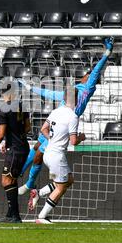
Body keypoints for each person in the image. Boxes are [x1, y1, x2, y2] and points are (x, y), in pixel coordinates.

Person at [17, 37, 114, 210]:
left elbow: (97, 69)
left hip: (63, 125)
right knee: (37, 145)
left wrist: (106, 54)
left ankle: (29, 184)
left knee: (40, 153)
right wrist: (31, 89)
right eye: (86, 74)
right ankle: (25, 178)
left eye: (88, 74)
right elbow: (50, 93)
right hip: (56, 118)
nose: (86, 76)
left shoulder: (87, 89)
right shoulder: (73, 89)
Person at [35, 86, 86, 224]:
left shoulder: (55, 111)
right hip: (57, 156)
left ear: (64, 98)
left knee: (69, 180)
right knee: (61, 187)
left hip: (48, 153)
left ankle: (38, 193)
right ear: (76, 99)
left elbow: (43, 129)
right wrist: (82, 137)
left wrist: (51, 139)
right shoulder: (73, 116)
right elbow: (74, 141)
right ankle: (42, 217)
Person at [0, 82, 31, 223]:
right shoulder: (22, 106)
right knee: (9, 180)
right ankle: (11, 214)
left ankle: (15, 216)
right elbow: (28, 127)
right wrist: (13, 138)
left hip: (15, 150)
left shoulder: (3, 108)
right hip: (23, 147)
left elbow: (0, 134)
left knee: (7, 180)